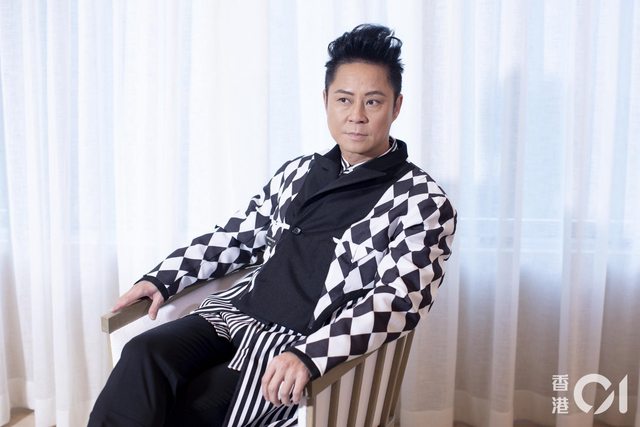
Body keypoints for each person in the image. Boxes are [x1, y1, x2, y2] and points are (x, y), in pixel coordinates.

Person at [89, 23, 457, 427]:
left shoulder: (421, 200)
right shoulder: (297, 172)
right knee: (143, 354)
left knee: (193, 406)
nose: (356, 116)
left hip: (297, 339)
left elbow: (398, 300)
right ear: (325, 101)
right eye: (344, 99)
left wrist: (312, 354)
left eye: (373, 102)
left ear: (396, 106)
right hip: (235, 312)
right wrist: (162, 279)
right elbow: (238, 236)